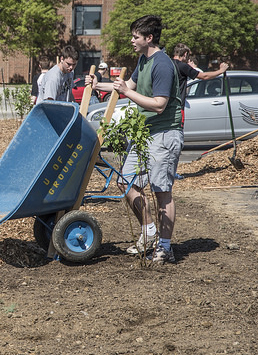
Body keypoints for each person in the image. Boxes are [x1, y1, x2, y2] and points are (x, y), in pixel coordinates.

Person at [87, 15, 182, 263]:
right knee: (126, 182)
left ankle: (164, 247)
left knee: (162, 191)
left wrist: (128, 92)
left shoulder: (162, 64)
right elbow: (126, 85)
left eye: (135, 36)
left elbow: (159, 105)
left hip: (164, 134)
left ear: (148, 38)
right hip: (144, 135)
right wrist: (99, 85)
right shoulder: (144, 60)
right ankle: (149, 230)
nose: (132, 40)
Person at [172, 43, 228, 111]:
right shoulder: (182, 66)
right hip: (178, 106)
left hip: (167, 104)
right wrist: (221, 71)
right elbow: (204, 76)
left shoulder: (168, 63)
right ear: (185, 54)